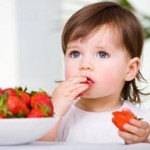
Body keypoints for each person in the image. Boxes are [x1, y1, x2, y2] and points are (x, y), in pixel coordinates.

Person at [41, 1, 150, 144]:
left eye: (102, 54)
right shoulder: (61, 118)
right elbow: (39, 146)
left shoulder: (141, 124)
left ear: (130, 69)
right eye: (75, 54)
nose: (84, 65)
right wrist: (53, 110)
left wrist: (143, 142)